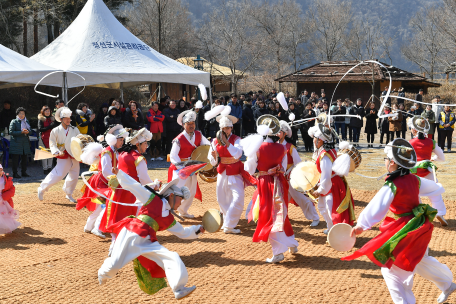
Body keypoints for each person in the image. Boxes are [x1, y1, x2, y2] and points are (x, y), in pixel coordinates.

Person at [342, 139, 456, 304]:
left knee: (392, 270)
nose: (385, 162)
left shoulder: (391, 185)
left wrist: (361, 225)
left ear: (393, 162)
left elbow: (377, 207)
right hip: (419, 226)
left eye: (386, 160)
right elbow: (435, 188)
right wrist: (437, 185)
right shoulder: (414, 179)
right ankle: (447, 284)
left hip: (405, 229)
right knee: (421, 259)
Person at [98, 170, 201, 300]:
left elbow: (183, 232)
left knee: (171, 256)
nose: (180, 203)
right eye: (180, 199)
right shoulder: (152, 199)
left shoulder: (168, 218)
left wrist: (198, 229)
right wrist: (119, 174)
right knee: (115, 265)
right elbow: (135, 186)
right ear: (171, 196)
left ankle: (178, 288)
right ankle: (102, 274)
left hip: (148, 241)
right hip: (132, 233)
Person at [243, 120, 298, 263]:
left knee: (269, 215)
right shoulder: (282, 148)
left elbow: (249, 168)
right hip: (279, 182)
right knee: (280, 213)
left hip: (265, 183)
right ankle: (292, 243)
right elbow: (284, 168)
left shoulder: (259, 148)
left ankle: (279, 252)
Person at [99, 128, 154, 238]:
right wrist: (155, 185)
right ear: (138, 144)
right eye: (145, 143)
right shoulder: (139, 158)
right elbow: (144, 179)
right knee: (132, 216)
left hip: (119, 189)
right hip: (132, 191)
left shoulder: (123, 153)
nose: (147, 146)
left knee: (118, 216)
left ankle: (115, 244)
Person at [76, 125, 128, 238]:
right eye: (120, 139)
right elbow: (105, 171)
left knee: (101, 206)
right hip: (102, 182)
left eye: (123, 139)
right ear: (113, 140)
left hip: (108, 181)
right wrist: (116, 179)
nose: (122, 142)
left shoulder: (115, 152)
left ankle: (89, 226)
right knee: (106, 204)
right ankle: (97, 227)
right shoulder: (107, 152)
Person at [207, 113, 256, 234]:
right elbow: (212, 162)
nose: (226, 131)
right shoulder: (214, 141)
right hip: (222, 172)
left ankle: (229, 224)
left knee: (238, 197)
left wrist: (227, 143)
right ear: (220, 129)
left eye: (228, 128)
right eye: (223, 128)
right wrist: (214, 158)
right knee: (222, 198)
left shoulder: (237, 139)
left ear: (231, 128)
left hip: (235, 172)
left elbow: (238, 154)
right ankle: (227, 222)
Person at [308, 124, 355, 234]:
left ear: (320, 140)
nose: (314, 139)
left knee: (330, 209)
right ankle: (330, 228)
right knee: (323, 207)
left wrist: (319, 190)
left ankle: (336, 232)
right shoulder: (330, 150)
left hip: (331, 184)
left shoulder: (324, 156)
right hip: (332, 182)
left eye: (315, 138)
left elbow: (326, 174)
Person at [168, 110, 210, 218]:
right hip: (181, 169)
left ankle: (183, 211)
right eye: (188, 124)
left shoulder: (198, 134)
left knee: (191, 191)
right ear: (183, 125)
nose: (191, 126)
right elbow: (173, 155)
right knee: (177, 191)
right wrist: (182, 168)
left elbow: (207, 146)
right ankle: (170, 211)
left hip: (193, 167)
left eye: (193, 123)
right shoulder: (178, 139)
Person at [278, 121, 320, 226]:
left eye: (279, 132)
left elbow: (298, 164)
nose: (276, 134)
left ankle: (315, 217)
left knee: (301, 198)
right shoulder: (275, 145)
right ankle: (282, 217)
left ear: (285, 133)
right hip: (280, 177)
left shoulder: (290, 147)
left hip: (291, 178)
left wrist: (289, 173)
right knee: (281, 198)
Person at [408, 117, 447, 226]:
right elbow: (442, 158)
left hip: (414, 173)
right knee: (436, 192)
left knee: (414, 194)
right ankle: (440, 212)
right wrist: (433, 159)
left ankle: (418, 214)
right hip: (428, 172)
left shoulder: (410, 142)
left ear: (414, 129)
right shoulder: (431, 142)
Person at [37, 107, 81, 203]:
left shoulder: (75, 129)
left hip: (74, 155)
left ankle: (69, 193)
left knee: (74, 174)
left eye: (69, 118)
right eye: (66, 118)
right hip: (63, 154)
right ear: (61, 119)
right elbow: (52, 142)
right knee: (58, 174)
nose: (68, 120)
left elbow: (79, 140)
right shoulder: (55, 130)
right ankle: (42, 188)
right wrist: (56, 151)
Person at [9, 107, 31, 179]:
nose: (22, 115)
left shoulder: (26, 121)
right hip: (16, 143)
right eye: (20, 113)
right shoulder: (14, 121)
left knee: (24, 159)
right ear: (17, 114)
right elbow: (11, 132)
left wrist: (28, 132)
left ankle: (23, 172)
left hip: (24, 143)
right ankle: (15, 173)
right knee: (15, 159)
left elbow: (30, 131)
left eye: (23, 113)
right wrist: (21, 132)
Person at [0, 164, 20, 234]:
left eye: (1, 170)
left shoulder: (6, 179)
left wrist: (4, 196)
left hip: (4, 201)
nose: (0, 172)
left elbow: (12, 189)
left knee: (5, 215)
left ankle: (8, 227)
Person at [37, 106, 56, 174]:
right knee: (44, 154)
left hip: (52, 137)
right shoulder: (41, 119)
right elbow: (40, 129)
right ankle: (45, 168)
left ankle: (49, 167)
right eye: (46, 111)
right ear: (43, 112)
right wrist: (49, 127)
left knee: (51, 153)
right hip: (43, 138)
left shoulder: (53, 119)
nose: (47, 112)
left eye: (48, 111)